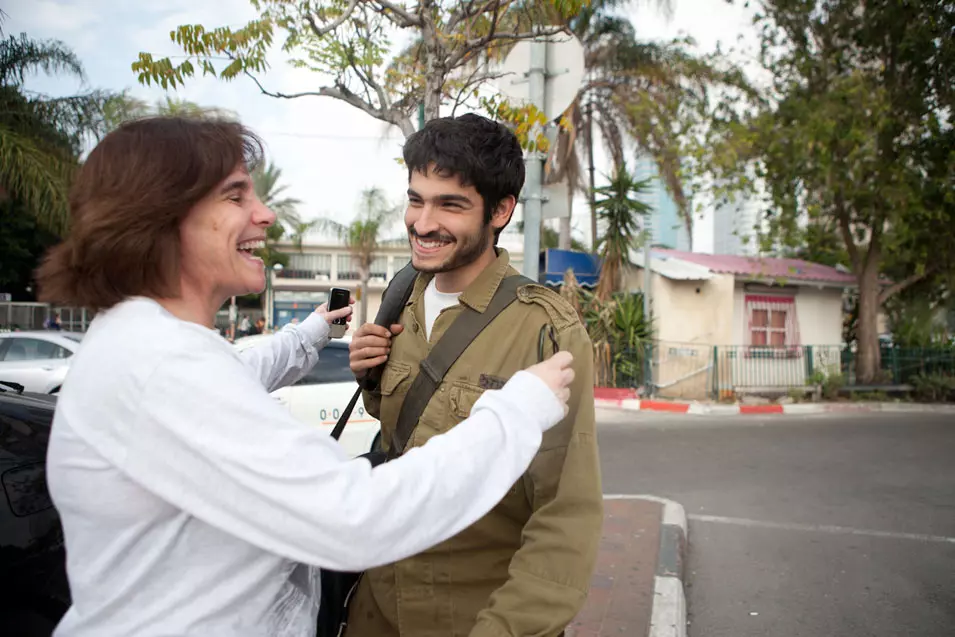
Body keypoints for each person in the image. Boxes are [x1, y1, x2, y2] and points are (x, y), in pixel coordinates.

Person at [34, 116, 577, 637]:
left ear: (501, 211)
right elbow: (356, 517)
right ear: (160, 219)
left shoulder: (152, 346)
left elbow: (236, 376)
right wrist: (516, 411)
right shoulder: (161, 365)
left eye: (450, 203)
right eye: (235, 195)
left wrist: (312, 333)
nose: (265, 213)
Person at [346, 114, 603, 637]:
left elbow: (565, 511)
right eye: (417, 199)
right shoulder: (403, 298)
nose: (422, 222)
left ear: (501, 211)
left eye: (450, 204)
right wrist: (371, 380)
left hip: (472, 617)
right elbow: (407, 433)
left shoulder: (545, 329)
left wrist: (507, 628)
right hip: (376, 605)